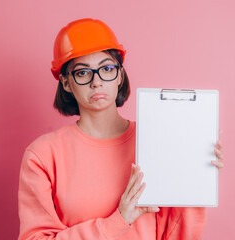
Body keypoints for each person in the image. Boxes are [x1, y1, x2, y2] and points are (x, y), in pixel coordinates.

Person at [18, 18, 224, 240]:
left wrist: (197, 179)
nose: (96, 82)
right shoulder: (42, 155)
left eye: (106, 68)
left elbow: (176, 233)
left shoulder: (157, 139)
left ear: (120, 75)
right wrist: (118, 221)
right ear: (66, 83)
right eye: (82, 72)